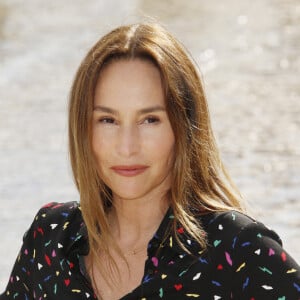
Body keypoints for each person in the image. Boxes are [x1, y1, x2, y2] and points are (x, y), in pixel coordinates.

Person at [1, 22, 299, 300]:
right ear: (83, 129)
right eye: (107, 120)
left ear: (184, 126)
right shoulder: (49, 240)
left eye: (149, 120)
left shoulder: (238, 249)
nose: (127, 147)